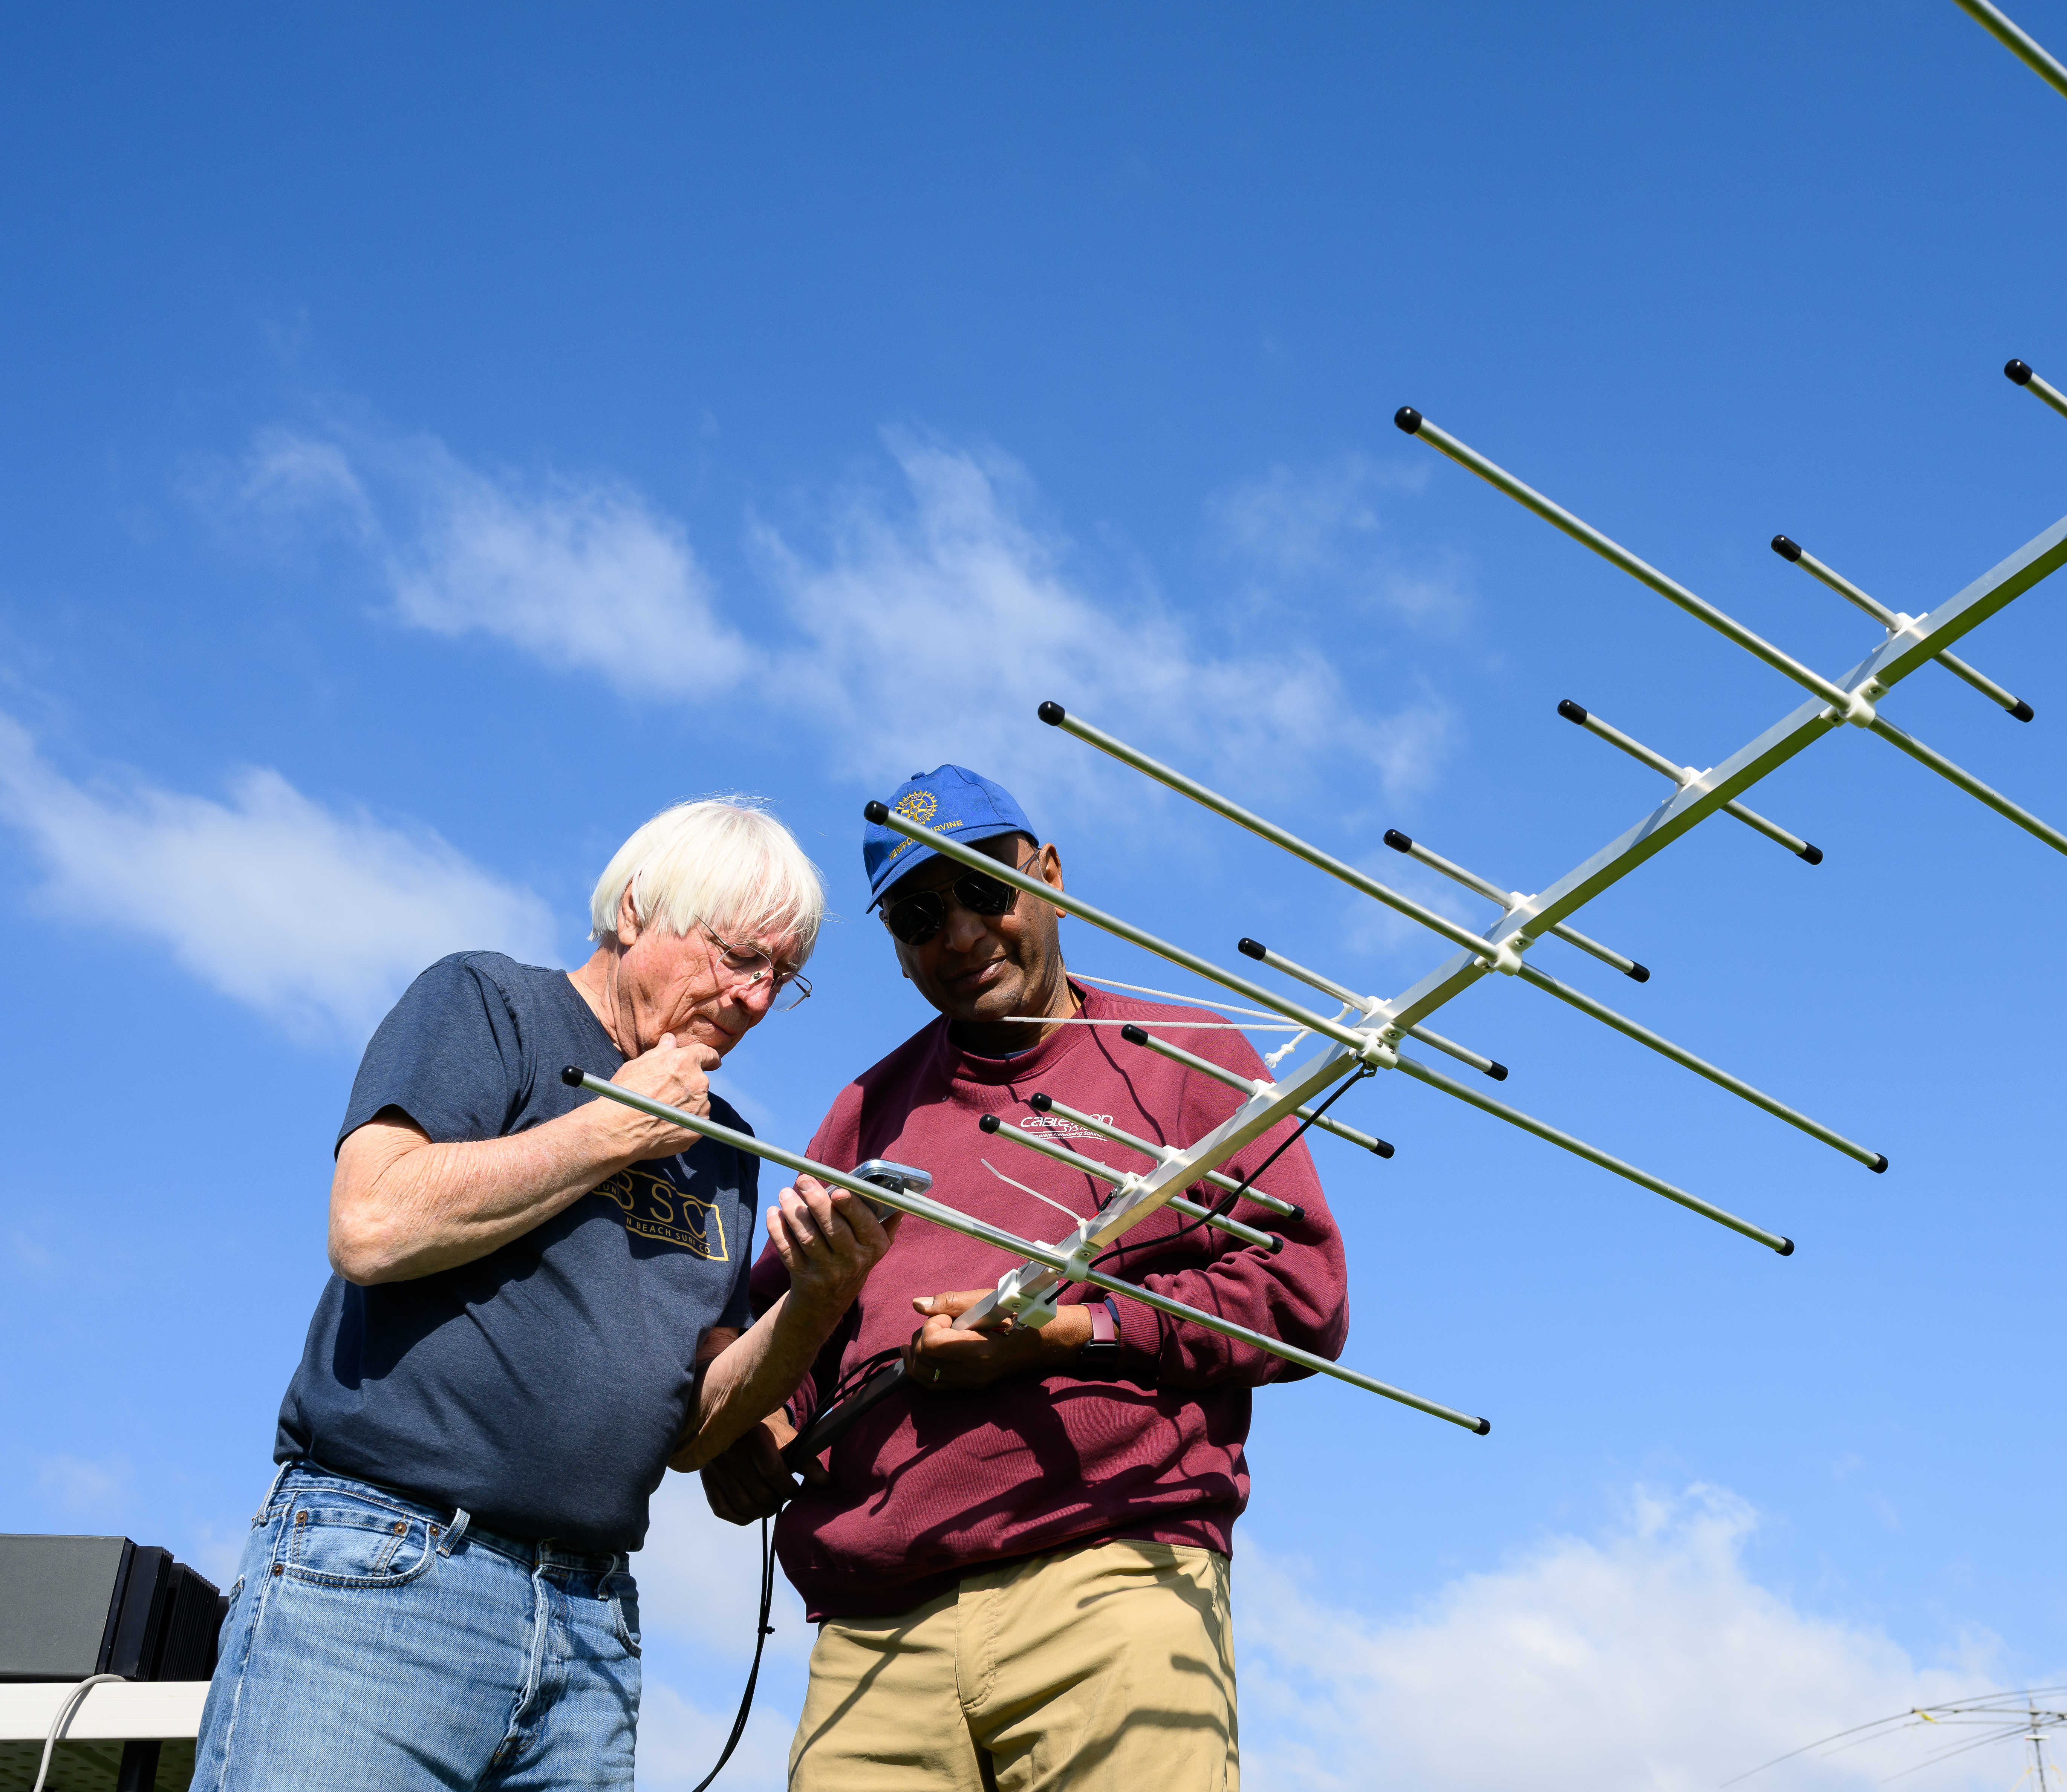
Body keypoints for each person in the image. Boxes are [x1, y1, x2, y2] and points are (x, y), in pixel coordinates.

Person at [191, 797, 896, 1792]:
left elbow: (692, 1433)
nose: (754, 998)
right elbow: (372, 1223)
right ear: (640, 910)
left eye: (784, 976)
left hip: (591, 1620)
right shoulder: (488, 1004)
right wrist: (613, 1130)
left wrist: (815, 1302)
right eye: (740, 956)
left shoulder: (725, 1149)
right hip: (390, 1572)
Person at [698, 764, 1348, 1792]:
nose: (957, 935)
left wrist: (1076, 1332)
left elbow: (1301, 1300)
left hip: (1109, 1576)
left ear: (1046, 874)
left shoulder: (1185, 1057)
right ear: (898, 950)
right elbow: (785, 1325)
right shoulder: (866, 1111)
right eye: (918, 914)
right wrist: (761, 1419)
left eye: (981, 889)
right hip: (877, 1630)